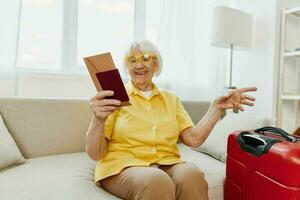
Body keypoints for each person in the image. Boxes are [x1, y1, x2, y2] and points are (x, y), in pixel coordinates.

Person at [85, 40, 257, 200]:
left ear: (156, 63)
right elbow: (95, 154)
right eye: (132, 60)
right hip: (122, 166)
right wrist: (98, 119)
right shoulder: (114, 98)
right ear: (126, 66)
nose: (139, 65)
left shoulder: (171, 99)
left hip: (166, 162)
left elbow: (193, 139)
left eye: (146, 58)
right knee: (156, 180)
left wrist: (216, 108)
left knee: (191, 174)